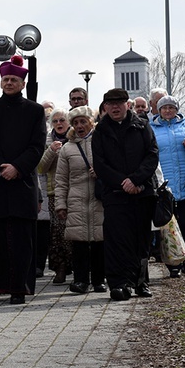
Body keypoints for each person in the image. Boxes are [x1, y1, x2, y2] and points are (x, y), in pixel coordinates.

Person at [0, 55, 47, 305]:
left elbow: (37, 146)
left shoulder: (35, 111)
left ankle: (20, 288)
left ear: (22, 83)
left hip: (22, 182)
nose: (8, 83)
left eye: (13, 79)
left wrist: (17, 167)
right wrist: (0, 167)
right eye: (5, 79)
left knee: (22, 239)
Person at [91, 88, 158, 301]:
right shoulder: (100, 131)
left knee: (141, 240)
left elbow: (152, 155)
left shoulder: (142, 125)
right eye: (110, 104)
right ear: (105, 107)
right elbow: (100, 164)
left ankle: (141, 282)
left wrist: (136, 180)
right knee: (117, 241)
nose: (115, 107)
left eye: (119, 103)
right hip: (114, 194)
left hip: (141, 192)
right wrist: (123, 182)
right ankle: (119, 284)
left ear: (127, 105)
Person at [150, 95, 185, 277]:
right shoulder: (150, 128)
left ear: (177, 110)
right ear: (158, 110)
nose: (167, 111)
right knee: (166, 226)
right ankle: (172, 262)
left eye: (171, 107)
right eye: (164, 108)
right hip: (163, 186)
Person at [54, 106, 106, 294]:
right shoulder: (67, 149)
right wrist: (61, 204)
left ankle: (100, 280)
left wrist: (101, 172)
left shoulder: (102, 142)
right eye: (76, 123)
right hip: (76, 199)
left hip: (99, 198)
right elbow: (61, 180)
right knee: (79, 243)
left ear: (91, 122)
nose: (80, 126)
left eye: (83, 121)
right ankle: (81, 280)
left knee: (100, 241)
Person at [37, 108, 73, 284]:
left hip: (75, 191)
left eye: (62, 120)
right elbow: (40, 169)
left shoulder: (76, 139)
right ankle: (60, 268)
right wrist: (51, 150)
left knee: (76, 231)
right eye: (55, 121)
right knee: (57, 233)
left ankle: (77, 266)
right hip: (54, 192)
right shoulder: (47, 141)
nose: (59, 124)